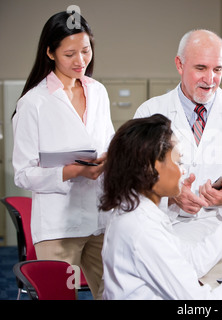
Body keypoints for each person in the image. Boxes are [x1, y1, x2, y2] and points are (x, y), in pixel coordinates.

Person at [100, 115, 222, 299]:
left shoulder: (138, 213)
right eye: (178, 162)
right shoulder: (142, 230)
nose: (183, 171)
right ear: (151, 168)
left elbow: (191, 263)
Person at [134, 29, 222, 243]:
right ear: (179, 64)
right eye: (201, 68)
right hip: (166, 231)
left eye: (217, 69)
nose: (210, 79)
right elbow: (133, 179)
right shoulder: (150, 112)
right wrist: (171, 196)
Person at [12, 11, 115, 298]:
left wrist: (109, 159)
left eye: (86, 51)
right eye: (70, 53)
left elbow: (108, 142)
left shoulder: (99, 92)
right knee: (61, 296)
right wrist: (73, 171)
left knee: (116, 293)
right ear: (50, 52)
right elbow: (23, 173)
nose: (81, 60)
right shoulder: (34, 103)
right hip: (59, 228)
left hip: (100, 220)